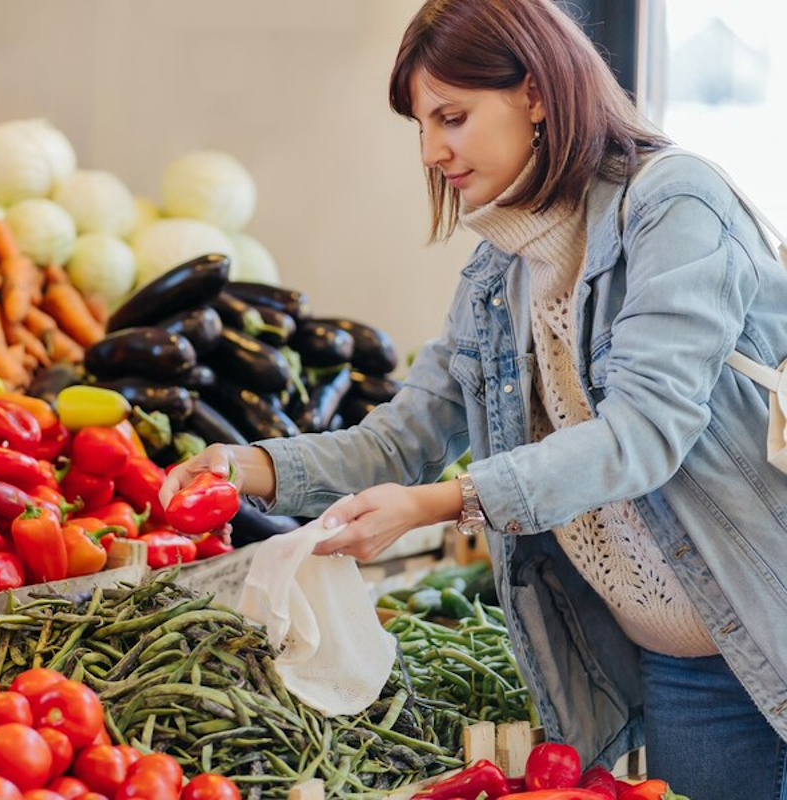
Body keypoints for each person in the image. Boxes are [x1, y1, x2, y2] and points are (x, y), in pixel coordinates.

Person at [159, 1, 787, 797]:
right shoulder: (500, 276)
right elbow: (402, 437)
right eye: (421, 127)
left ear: (536, 93)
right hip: (675, 661)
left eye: (451, 117)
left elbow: (643, 433)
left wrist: (442, 503)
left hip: (763, 631)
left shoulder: (673, 205)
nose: (433, 152)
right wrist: (245, 466)